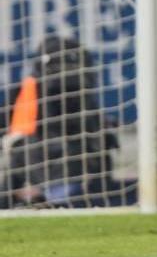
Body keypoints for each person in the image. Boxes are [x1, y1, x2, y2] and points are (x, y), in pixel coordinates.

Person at [0, 36, 116, 209]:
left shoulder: (26, 89)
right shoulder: (28, 92)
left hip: (44, 165)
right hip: (64, 166)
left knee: (19, 153)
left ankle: (15, 202)